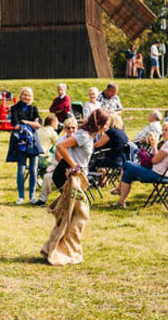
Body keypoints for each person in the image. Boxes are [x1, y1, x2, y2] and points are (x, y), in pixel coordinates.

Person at [39, 109, 107, 266]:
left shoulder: (88, 135)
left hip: (76, 176)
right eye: (105, 125)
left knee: (72, 215)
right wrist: (73, 165)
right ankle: (59, 252)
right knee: (78, 214)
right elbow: (61, 146)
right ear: (100, 124)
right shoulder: (83, 135)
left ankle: (55, 249)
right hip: (67, 175)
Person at [114, 121, 168, 208]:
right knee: (128, 172)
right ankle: (121, 201)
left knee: (127, 164)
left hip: (157, 175)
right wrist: (154, 145)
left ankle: (120, 193)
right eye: (163, 130)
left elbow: (154, 161)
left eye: (166, 130)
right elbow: (156, 158)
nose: (163, 132)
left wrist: (154, 146)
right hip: (166, 175)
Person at [6, 87, 43, 205]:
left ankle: (32, 196)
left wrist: (26, 122)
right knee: (21, 170)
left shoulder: (34, 109)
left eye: (29, 95)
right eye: (25, 95)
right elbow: (15, 125)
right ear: (21, 95)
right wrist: (30, 124)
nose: (26, 97)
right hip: (20, 142)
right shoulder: (14, 108)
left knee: (33, 170)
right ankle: (21, 196)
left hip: (33, 143)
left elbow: (38, 125)